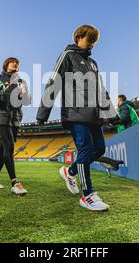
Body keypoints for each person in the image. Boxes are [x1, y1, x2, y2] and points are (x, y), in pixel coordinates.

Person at [36, 24, 119, 211]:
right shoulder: (67, 56)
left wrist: (113, 115)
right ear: (79, 37)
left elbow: (101, 91)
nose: (92, 44)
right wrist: (43, 113)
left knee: (98, 149)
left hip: (94, 115)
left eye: (94, 42)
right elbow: (53, 82)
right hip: (75, 114)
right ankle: (87, 195)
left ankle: (70, 171)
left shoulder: (93, 63)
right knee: (85, 149)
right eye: (90, 39)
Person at [0, 57, 31, 196]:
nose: (15, 64)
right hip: (1, 117)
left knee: (4, 153)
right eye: (12, 62)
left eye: (17, 63)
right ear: (6, 65)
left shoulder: (21, 81)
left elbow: (26, 101)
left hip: (14, 119)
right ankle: (15, 183)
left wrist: (24, 92)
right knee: (9, 147)